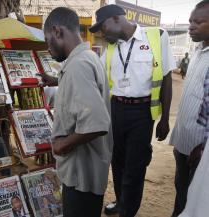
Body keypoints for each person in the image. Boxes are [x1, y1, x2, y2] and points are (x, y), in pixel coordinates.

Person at [89, 4, 175, 217]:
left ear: (117, 19)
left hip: (142, 113)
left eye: (103, 27)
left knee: (135, 167)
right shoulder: (110, 46)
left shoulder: (157, 36)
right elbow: (94, 75)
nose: (102, 33)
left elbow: (166, 78)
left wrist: (165, 118)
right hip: (115, 111)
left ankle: (128, 211)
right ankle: (120, 201)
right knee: (117, 163)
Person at [43, 7, 112, 217]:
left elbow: (97, 123)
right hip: (88, 172)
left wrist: (62, 144)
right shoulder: (87, 57)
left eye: (47, 41)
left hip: (81, 175)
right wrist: (57, 80)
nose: (48, 48)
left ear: (57, 31)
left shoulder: (78, 65)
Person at [170, 1, 209, 216]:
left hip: (200, 151)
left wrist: (202, 147)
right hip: (184, 144)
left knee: (195, 200)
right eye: (190, 21)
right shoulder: (197, 51)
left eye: (198, 21)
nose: (191, 26)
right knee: (181, 192)